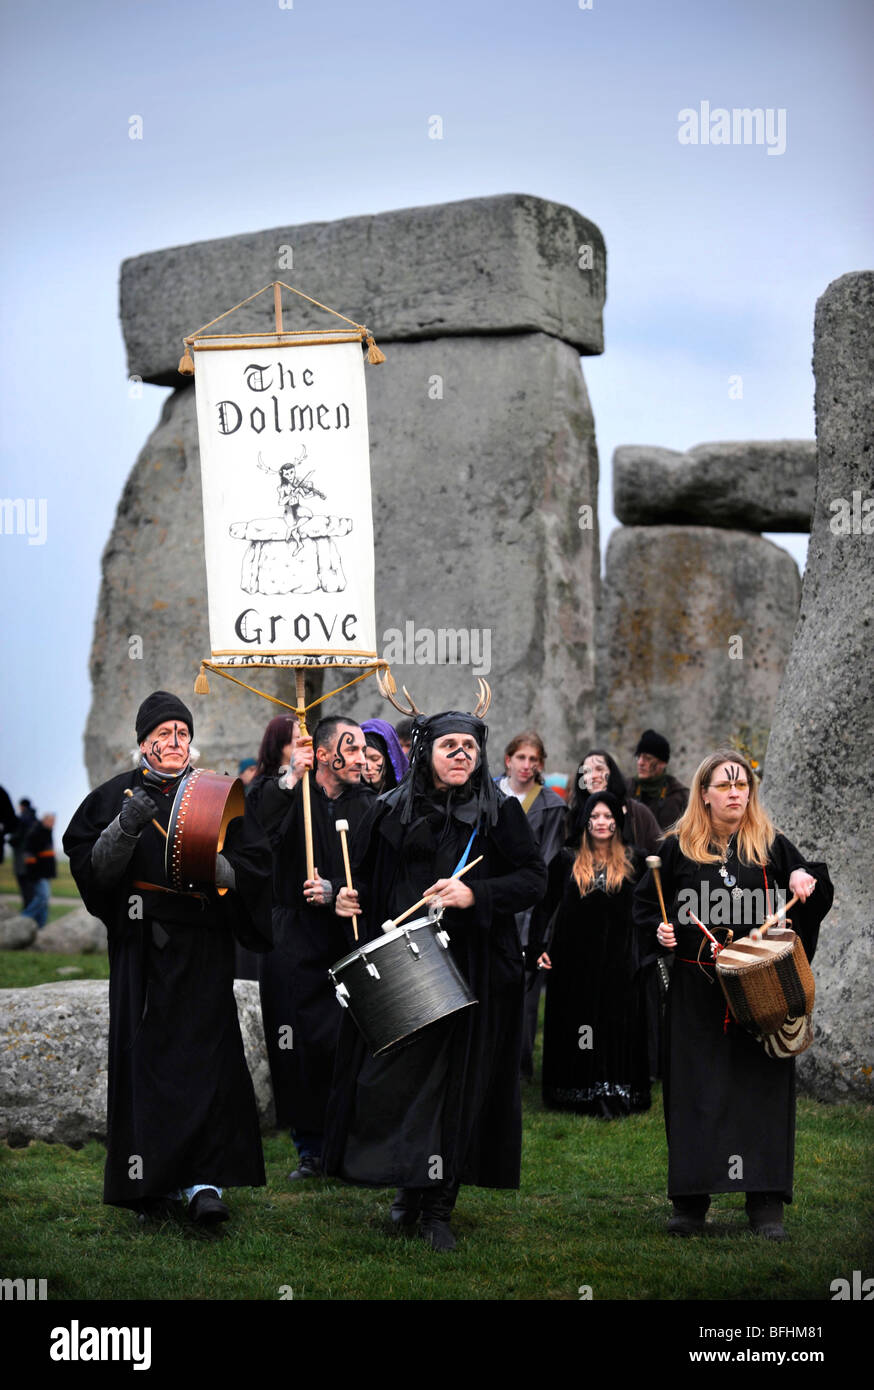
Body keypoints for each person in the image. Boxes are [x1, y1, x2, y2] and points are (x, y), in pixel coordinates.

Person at [326, 707, 547, 1251]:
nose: (460, 755)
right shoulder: (387, 811)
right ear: (425, 752)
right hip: (407, 966)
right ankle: (408, 1189)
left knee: (460, 1084)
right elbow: (369, 883)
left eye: (468, 748)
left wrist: (477, 895)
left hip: (475, 969)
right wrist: (347, 897)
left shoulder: (501, 813)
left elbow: (534, 879)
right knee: (405, 1080)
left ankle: (438, 1209)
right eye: (449, 745)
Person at [63, 691, 272, 1227]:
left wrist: (222, 870)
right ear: (144, 743)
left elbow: (254, 867)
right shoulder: (114, 797)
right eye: (164, 734)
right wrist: (125, 825)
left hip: (204, 948)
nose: (175, 742)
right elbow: (95, 873)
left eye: (182, 733)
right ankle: (150, 1184)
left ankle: (205, 1185)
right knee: (148, 1064)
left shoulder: (218, 795)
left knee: (207, 1061)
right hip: (143, 950)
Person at [633, 748, 833, 1239]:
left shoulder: (771, 845)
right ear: (704, 793)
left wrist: (805, 880)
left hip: (761, 992)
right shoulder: (678, 848)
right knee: (694, 1093)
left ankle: (765, 1205)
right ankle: (691, 1202)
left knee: (760, 1093)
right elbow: (644, 912)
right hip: (696, 997)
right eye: (724, 785)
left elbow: (812, 891)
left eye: (742, 785)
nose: (735, 793)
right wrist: (658, 933)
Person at [256, 715, 376, 1181]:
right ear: (323, 754)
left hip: (345, 939)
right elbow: (256, 836)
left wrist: (344, 892)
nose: (364, 759)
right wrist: (290, 776)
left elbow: (382, 873)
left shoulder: (371, 806)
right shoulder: (287, 794)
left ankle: (349, 1146)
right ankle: (310, 1149)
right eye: (353, 749)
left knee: (345, 1043)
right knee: (297, 1047)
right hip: (291, 942)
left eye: (366, 750)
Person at [529, 793, 650, 1118]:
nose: (602, 823)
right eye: (595, 816)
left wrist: (647, 949)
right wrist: (538, 946)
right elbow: (544, 906)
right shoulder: (566, 860)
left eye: (608, 817)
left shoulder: (635, 859)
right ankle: (576, 1091)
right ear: (585, 820)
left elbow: (652, 908)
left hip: (619, 961)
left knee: (615, 1024)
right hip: (573, 961)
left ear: (618, 821)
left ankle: (614, 1087)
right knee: (579, 1022)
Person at [498, 731, 567, 1078]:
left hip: (529, 911)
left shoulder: (551, 806)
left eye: (534, 760)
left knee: (526, 997)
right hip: (491, 901)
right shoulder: (488, 796)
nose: (527, 765)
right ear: (508, 759)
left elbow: (548, 863)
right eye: (521, 758)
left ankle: (519, 1068)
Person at [573, 749, 661, 856]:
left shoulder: (638, 813)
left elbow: (659, 853)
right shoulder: (572, 817)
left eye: (599, 769)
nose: (593, 776)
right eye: (586, 772)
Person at [628, 730, 689, 830]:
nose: (640, 762)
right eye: (638, 757)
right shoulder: (627, 789)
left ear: (663, 763)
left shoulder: (680, 796)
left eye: (647, 758)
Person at [21, 813, 56, 928]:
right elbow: (29, 854)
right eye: (51, 821)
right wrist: (34, 872)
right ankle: (24, 917)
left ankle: (41, 926)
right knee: (43, 897)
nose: (53, 824)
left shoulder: (48, 832)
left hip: (45, 873)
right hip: (38, 873)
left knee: (44, 901)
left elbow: (49, 856)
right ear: (44, 820)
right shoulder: (36, 833)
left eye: (54, 821)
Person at [360, 717, 409, 794]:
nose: (368, 767)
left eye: (375, 759)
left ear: (390, 758)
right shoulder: (349, 798)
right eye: (362, 758)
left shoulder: (409, 794)